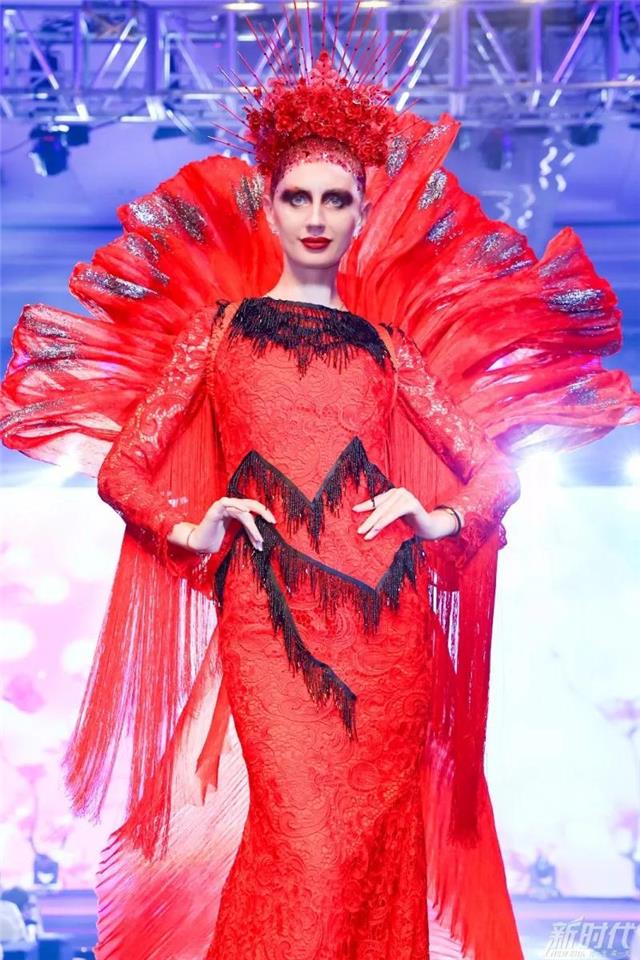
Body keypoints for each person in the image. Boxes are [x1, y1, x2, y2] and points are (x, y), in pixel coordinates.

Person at [1, 6, 639, 960]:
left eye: (336, 200)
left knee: (370, 854)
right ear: (268, 206)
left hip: (392, 631)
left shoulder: (389, 347)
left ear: (359, 213)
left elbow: (496, 471)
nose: (315, 217)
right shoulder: (217, 332)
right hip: (266, 623)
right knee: (303, 849)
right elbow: (127, 468)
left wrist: (436, 513)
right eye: (298, 197)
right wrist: (192, 523)